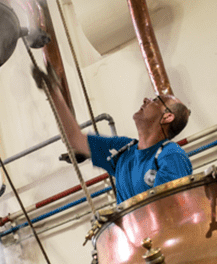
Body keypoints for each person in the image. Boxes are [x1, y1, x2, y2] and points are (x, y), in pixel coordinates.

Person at [33, 64, 193, 203]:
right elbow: (75, 139)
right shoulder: (124, 149)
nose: (146, 100)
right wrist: (54, 93)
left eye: (155, 101)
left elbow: (170, 207)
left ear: (167, 117)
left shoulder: (171, 154)